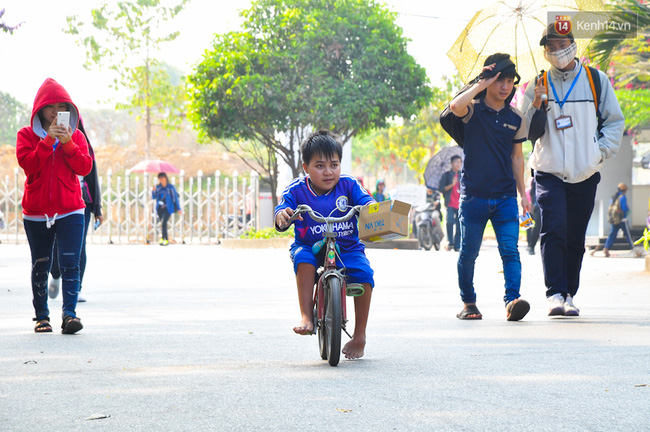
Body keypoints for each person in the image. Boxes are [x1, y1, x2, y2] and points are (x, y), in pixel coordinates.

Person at [523, 24, 625, 316]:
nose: (557, 51)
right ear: (544, 51)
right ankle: (554, 293)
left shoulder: (596, 80)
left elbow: (614, 121)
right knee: (553, 229)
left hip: (585, 172)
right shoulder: (536, 83)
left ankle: (569, 294)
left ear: (573, 44)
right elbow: (526, 131)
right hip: (548, 171)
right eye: (550, 46)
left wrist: (599, 152)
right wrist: (537, 104)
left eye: (562, 44)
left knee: (575, 236)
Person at [275, 130, 375, 359]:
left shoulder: (349, 185)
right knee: (303, 261)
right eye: (320, 166)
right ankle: (306, 316)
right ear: (305, 168)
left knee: (365, 274)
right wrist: (283, 214)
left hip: (346, 247)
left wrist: (370, 207)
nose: (328, 172)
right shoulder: (296, 189)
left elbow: (367, 202)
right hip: (310, 245)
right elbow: (283, 209)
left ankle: (359, 335)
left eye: (334, 164)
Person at [448, 53, 531, 322]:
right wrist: (481, 83)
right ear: (490, 82)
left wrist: (523, 193)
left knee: (510, 251)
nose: (505, 87)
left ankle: (512, 301)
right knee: (468, 254)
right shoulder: (473, 109)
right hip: (473, 197)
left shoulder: (516, 117)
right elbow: (454, 106)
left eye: (509, 81)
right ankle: (468, 303)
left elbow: (517, 157)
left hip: (505, 196)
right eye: (500, 81)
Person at [16, 78, 92, 334]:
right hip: (36, 213)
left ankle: (70, 315)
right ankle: (41, 318)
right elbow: (29, 165)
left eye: (62, 106)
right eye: (51, 106)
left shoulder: (77, 136)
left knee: (71, 263)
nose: (55, 111)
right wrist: (48, 141)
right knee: (41, 264)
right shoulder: (26, 136)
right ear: (40, 109)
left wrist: (68, 143)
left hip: (71, 209)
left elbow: (85, 167)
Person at [49, 117, 103, 302]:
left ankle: (76, 288)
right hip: (57, 199)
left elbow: (92, 175)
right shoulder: (49, 140)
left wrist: (98, 208)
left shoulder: (83, 144)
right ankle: (55, 274)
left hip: (82, 202)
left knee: (79, 245)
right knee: (56, 244)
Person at [602, 183, 633, 257]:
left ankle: (606, 248)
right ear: (624, 190)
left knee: (612, 234)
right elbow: (625, 208)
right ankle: (633, 247)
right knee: (628, 234)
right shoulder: (623, 197)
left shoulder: (613, 197)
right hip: (622, 219)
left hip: (614, 219)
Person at [438, 155, 462, 251]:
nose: (458, 164)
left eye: (460, 162)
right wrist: (452, 184)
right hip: (450, 203)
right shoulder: (446, 175)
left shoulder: (462, 174)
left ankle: (457, 245)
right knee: (450, 222)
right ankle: (450, 242)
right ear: (451, 163)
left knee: (459, 224)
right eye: (456, 162)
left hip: (461, 203)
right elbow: (441, 189)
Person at [152, 172, 181, 246]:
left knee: (164, 222)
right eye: (160, 178)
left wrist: (178, 208)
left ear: (166, 178)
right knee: (162, 222)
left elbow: (175, 198)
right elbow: (154, 197)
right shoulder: (158, 187)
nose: (161, 179)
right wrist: (153, 191)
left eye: (163, 177)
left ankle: (166, 239)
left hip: (168, 207)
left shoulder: (170, 187)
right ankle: (163, 238)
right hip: (160, 208)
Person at [525, 177, 541, 255]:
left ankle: (530, 245)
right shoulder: (526, 191)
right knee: (527, 227)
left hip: (534, 208)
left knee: (537, 226)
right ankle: (529, 245)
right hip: (528, 211)